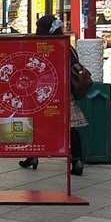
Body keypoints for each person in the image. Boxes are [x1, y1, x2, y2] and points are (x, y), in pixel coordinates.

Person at [19, 15, 87, 176]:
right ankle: (77, 160)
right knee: (70, 127)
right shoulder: (66, 46)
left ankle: (32, 155)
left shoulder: (37, 46)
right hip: (62, 91)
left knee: (34, 122)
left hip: (39, 92)